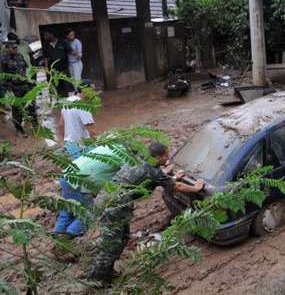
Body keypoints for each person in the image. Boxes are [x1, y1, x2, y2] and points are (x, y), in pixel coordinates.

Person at [85, 142, 205, 285]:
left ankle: (106, 272)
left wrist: (169, 176)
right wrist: (196, 188)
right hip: (115, 205)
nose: (168, 157)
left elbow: (146, 177)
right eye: (166, 155)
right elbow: (175, 186)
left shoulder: (139, 159)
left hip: (106, 197)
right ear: (158, 156)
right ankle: (95, 280)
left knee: (122, 237)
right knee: (113, 244)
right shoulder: (151, 170)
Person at [54, 145, 127, 238]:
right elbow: (123, 178)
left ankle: (57, 240)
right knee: (89, 214)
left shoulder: (113, 145)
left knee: (68, 211)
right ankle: (68, 239)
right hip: (78, 182)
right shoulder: (125, 158)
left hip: (66, 175)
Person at [0, 41, 37, 137]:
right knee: (17, 109)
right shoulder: (3, 59)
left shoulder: (19, 56)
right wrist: (7, 91)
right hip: (14, 88)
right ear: (8, 48)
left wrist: (30, 80)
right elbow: (2, 76)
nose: (15, 49)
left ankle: (36, 127)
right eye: (13, 48)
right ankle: (19, 130)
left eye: (16, 47)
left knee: (31, 106)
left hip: (25, 85)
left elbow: (25, 68)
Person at [57, 79, 97, 159]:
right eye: (92, 91)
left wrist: (64, 142)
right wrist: (100, 144)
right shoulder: (83, 106)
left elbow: (61, 124)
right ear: (84, 90)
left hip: (69, 146)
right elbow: (92, 131)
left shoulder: (68, 101)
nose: (94, 94)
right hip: (82, 147)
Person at [42, 30, 71, 96]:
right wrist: (46, 68)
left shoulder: (62, 42)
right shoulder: (46, 45)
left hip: (64, 68)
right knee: (56, 86)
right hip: (53, 70)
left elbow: (70, 51)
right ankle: (59, 101)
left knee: (67, 85)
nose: (45, 37)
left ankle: (68, 100)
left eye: (46, 35)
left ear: (51, 34)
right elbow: (46, 58)